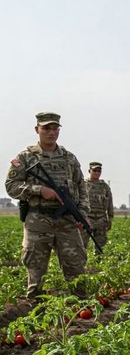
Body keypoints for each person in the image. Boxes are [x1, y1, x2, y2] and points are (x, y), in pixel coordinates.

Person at [4, 112, 89, 298]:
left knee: (76, 267)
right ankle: (34, 311)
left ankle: (82, 313)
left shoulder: (69, 158)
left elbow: (82, 188)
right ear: (37, 130)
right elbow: (11, 186)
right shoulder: (26, 158)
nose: (51, 132)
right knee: (35, 269)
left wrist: (81, 214)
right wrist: (39, 190)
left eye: (55, 128)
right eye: (46, 128)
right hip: (38, 220)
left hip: (66, 221)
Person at [84, 163, 114, 252]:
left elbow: (110, 203)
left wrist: (110, 218)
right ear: (89, 171)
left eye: (99, 171)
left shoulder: (105, 187)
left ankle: (97, 264)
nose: (97, 173)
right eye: (94, 171)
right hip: (87, 219)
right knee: (81, 245)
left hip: (101, 219)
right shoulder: (83, 185)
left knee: (100, 246)